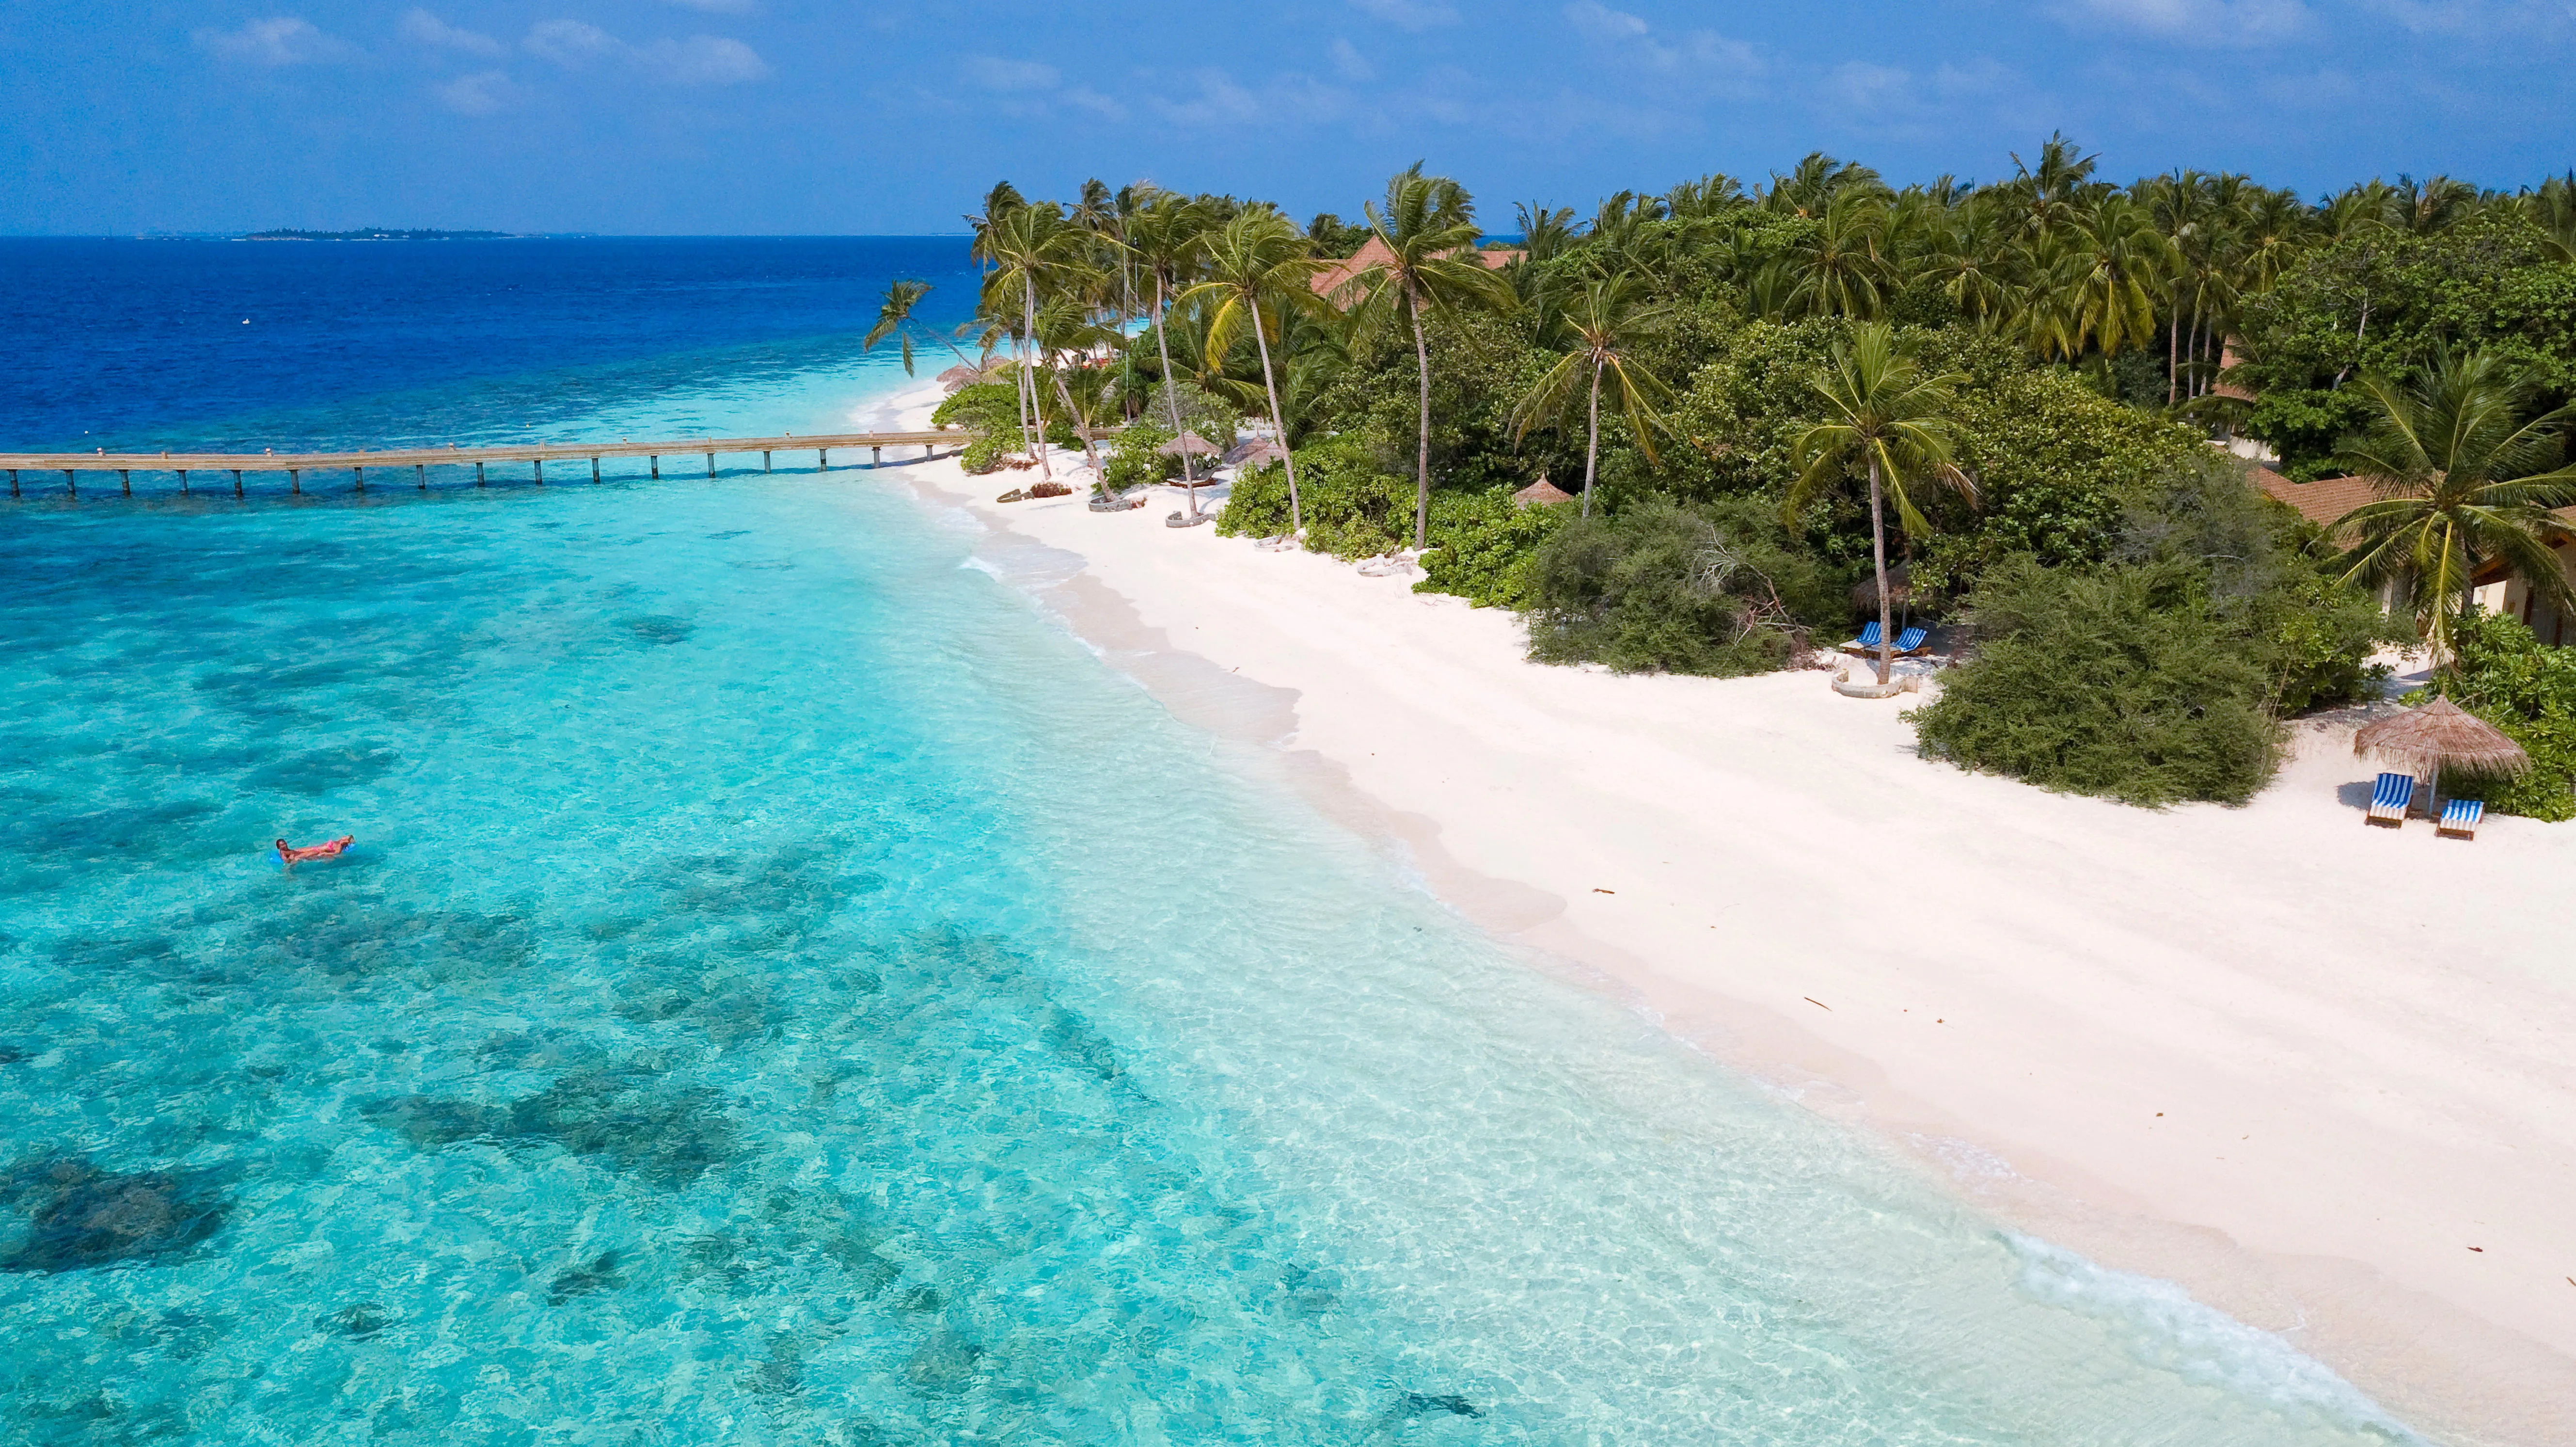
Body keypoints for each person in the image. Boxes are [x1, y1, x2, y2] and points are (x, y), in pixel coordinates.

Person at [276, 835, 354, 867]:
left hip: (317, 849)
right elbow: (286, 862)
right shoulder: (283, 853)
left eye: (285, 844)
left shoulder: (340, 844)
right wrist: (290, 859)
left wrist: (325, 853)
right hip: (315, 850)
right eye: (282, 845)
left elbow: (337, 853)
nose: (285, 845)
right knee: (314, 852)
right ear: (279, 847)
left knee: (313, 852)